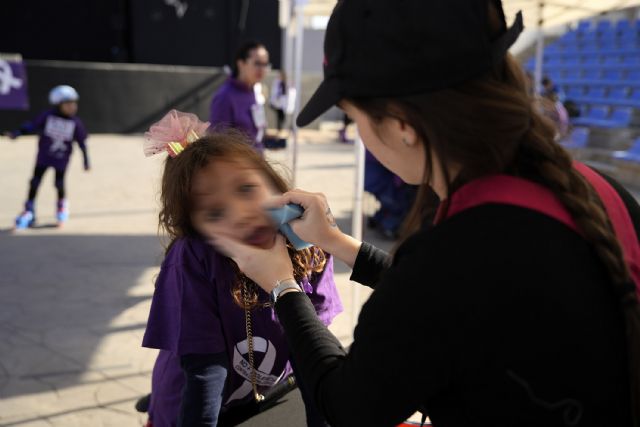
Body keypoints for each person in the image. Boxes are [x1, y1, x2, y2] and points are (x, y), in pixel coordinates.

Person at [206, 1, 640, 426]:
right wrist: (335, 242)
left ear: (401, 126)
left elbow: (347, 405)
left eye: (356, 119)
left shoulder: (451, 257)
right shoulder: (593, 187)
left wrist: (282, 284)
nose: (361, 135)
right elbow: (441, 302)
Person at [141, 110, 341, 427]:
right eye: (216, 212)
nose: (240, 214)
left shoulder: (307, 240)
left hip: (263, 399)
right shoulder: (193, 258)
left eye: (246, 189)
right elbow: (204, 375)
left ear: (271, 181)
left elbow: (311, 350)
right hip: (187, 406)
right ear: (196, 227)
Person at [5, 85, 90, 229]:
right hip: (43, 157)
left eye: (74, 104)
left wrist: (86, 160)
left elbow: (82, 143)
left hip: (61, 160)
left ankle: (61, 207)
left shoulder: (75, 123)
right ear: (58, 105)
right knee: (34, 182)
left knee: (59, 184)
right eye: (68, 104)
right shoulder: (47, 116)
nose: (72, 107)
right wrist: (17, 133)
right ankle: (29, 210)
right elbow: (31, 126)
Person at [210, 41, 270, 154]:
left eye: (265, 64)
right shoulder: (225, 97)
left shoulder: (254, 91)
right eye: (257, 63)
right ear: (241, 63)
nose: (262, 69)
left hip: (256, 164)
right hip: (237, 168)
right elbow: (217, 145)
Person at [269, 70, 288, 134]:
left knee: (282, 116)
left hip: (281, 102)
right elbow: (275, 92)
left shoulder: (283, 82)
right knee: (280, 116)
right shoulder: (277, 82)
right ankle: (279, 129)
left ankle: (280, 129)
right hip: (278, 102)